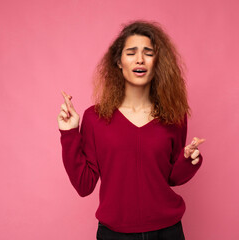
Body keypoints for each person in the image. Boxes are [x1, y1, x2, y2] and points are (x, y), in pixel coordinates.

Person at [57, 20, 205, 240]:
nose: (139, 59)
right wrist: (69, 133)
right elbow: (83, 185)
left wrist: (189, 160)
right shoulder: (95, 118)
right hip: (114, 234)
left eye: (148, 52)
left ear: (157, 62)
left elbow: (172, 178)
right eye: (131, 52)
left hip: (167, 232)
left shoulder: (174, 114)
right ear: (118, 61)